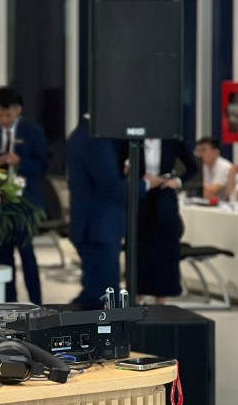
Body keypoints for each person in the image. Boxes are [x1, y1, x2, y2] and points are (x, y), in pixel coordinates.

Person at [66, 116, 165, 310]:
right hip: (99, 228)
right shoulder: (95, 138)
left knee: (100, 292)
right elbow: (111, 187)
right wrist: (145, 184)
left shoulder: (83, 134)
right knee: (102, 295)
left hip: (94, 226)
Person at [0, 86, 48, 305]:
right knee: (4, 256)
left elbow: (43, 166)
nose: (3, 120)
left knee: (27, 254)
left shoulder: (33, 132)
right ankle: (9, 304)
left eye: (7, 115)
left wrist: (19, 162)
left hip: (26, 203)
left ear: (18, 109)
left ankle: (37, 304)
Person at [137, 138, 198, 304]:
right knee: (140, 249)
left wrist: (177, 181)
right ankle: (137, 295)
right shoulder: (134, 140)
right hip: (141, 196)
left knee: (164, 250)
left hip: (164, 196)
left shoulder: (172, 141)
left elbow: (193, 167)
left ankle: (161, 299)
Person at [194, 136, 232, 200]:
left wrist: (195, 179)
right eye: (198, 150)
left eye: (203, 150)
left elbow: (211, 193)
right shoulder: (204, 166)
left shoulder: (224, 166)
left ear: (216, 152)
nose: (199, 154)